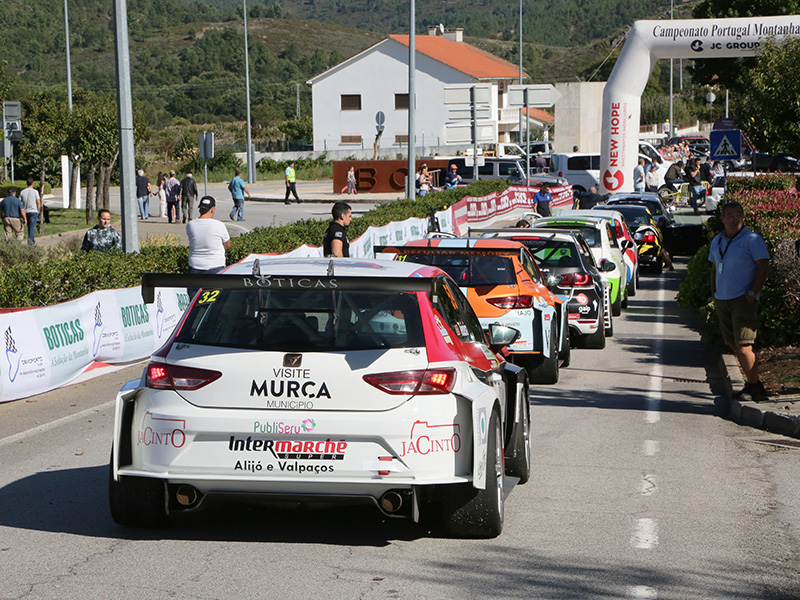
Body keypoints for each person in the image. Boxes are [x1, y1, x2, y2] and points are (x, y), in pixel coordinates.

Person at [708, 201, 771, 402]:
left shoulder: (752, 239)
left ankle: (753, 386)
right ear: (722, 219)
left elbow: (764, 266)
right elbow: (714, 267)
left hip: (742, 299)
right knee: (735, 344)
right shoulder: (718, 241)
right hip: (723, 299)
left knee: (744, 345)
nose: (735, 219)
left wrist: (753, 292)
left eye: (738, 215)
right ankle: (754, 384)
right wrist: (714, 293)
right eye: (730, 215)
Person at [187, 196, 231, 278]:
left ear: (200, 209)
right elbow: (227, 244)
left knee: (195, 291)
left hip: (195, 265)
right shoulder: (219, 225)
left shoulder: (190, 225)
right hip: (215, 265)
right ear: (212, 210)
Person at [20, 178, 42, 245]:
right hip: (33, 211)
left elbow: (20, 203)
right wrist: (39, 211)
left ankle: (32, 240)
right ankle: (30, 241)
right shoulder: (35, 192)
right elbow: (38, 202)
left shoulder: (22, 192)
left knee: (30, 227)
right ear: (32, 183)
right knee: (32, 227)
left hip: (26, 211)